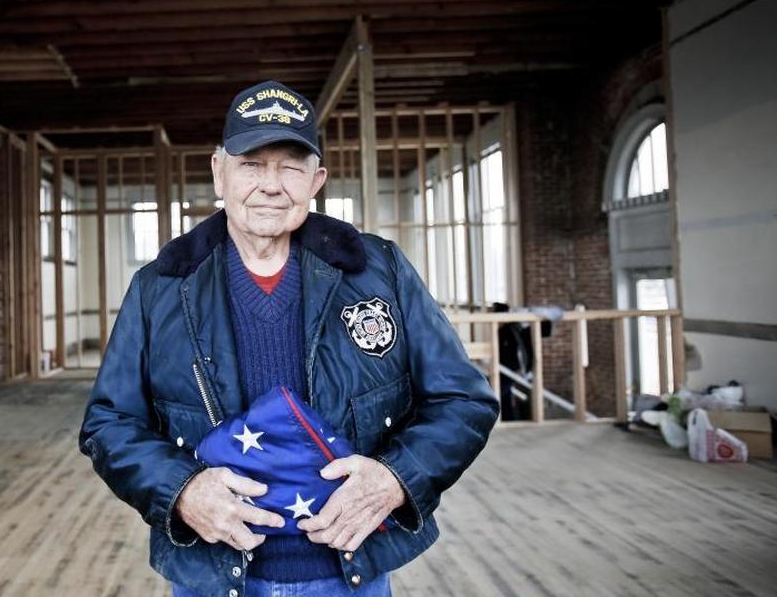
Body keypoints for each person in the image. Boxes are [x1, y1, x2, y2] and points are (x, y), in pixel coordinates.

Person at [79, 80, 499, 597]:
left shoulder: (377, 270)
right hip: (211, 579)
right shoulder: (161, 287)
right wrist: (181, 491)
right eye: (251, 164)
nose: (271, 185)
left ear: (316, 179)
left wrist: (395, 478)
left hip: (352, 576)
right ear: (219, 172)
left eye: (291, 166)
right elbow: (108, 422)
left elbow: (463, 399)